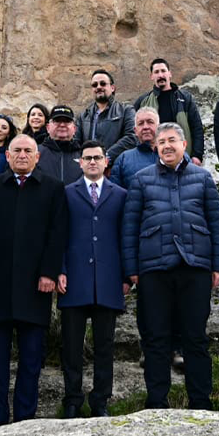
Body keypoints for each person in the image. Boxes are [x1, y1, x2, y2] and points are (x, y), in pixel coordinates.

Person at [122, 123, 219, 410]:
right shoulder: (141, 180)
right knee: (156, 338)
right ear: (155, 147)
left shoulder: (203, 178)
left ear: (184, 145)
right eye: (162, 141)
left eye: (172, 140)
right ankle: (157, 402)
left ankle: (200, 402)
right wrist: (131, 269)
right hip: (154, 270)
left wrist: (217, 265)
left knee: (195, 337)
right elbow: (130, 227)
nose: (167, 145)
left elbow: (216, 223)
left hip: (195, 267)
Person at [0, 135, 68, 426]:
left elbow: (57, 234)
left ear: (37, 157)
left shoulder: (53, 188)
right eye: (17, 150)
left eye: (28, 150)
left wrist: (49, 272)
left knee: (31, 360)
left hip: (35, 286)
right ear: (8, 155)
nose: (23, 155)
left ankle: (25, 420)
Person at [57, 141, 128, 418]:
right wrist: (60, 269)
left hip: (108, 280)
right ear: (80, 162)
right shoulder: (66, 193)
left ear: (106, 161)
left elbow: (125, 237)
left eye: (97, 157)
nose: (93, 162)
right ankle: (72, 400)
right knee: (72, 346)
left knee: (105, 346)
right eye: (87, 158)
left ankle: (101, 401)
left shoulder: (120, 194)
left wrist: (126, 276)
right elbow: (59, 235)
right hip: (74, 280)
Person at [132, 58, 205, 165]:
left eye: (163, 71)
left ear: (169, 74)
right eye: (156, 72)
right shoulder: (143, 101)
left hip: (183, 158)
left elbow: (197, 128)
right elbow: (133, 131)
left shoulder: (185, 98)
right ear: (151, 76)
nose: (160, 75)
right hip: (152, 161)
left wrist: (197, 155)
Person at [76, 70, 137, 165]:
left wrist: (106, 157)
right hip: (90, 167)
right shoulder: (83, 116)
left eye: (103, 84)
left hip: (116, 167)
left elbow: (132, 137)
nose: (98, 87)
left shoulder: (126, 110)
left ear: (112, 88)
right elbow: (76, 143)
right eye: (94, 85)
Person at [109, 108, 160, 189]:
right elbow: (115, 192)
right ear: (135, 131)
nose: (145, 127)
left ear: (159, 127)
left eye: (150, 122)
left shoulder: (171, 155)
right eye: (141, 123)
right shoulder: (123, 159)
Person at [37, 105, 82, 185]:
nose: (62, 125)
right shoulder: (36, 153)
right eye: (57, 121)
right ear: (48, 127)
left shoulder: (83, 155)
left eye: (67, 121)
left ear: (74, 128)